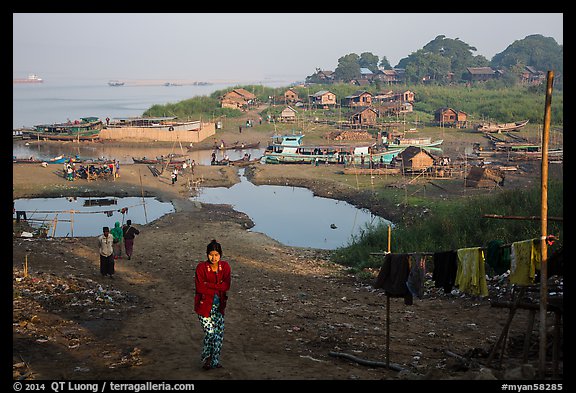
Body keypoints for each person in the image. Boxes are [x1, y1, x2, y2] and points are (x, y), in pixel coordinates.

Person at [194, 239, 231, 370]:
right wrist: (217, 286)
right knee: (210, 333)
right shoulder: (201, 268)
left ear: (220, 255)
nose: (213, 257)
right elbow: (200, 288)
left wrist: (208, 284)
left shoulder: (225, 267)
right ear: (206, 254)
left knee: (218, 335)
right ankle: (207, 357)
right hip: (204, 307)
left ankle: (213, 361)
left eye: (216, 255)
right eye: (211, 254)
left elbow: (227, 286)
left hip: (219, 307)